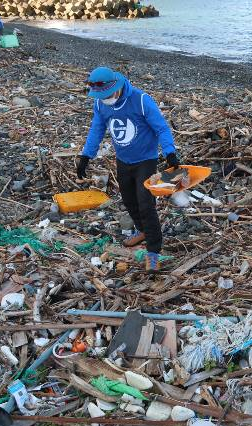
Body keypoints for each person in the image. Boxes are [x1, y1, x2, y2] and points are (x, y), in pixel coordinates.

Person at [76, 67, 180, 272]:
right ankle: (141, 230)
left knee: (145, 204)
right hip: (123, 159)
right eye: (100, 96)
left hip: (145, 161)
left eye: (106, 95)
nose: (103, 99)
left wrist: (169, 152)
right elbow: (97, 129)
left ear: (116, 87)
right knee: (129, 200)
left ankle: (153, 251)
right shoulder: (100, 104)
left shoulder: (141, 100)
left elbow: (161, 128)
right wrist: (86, 155)